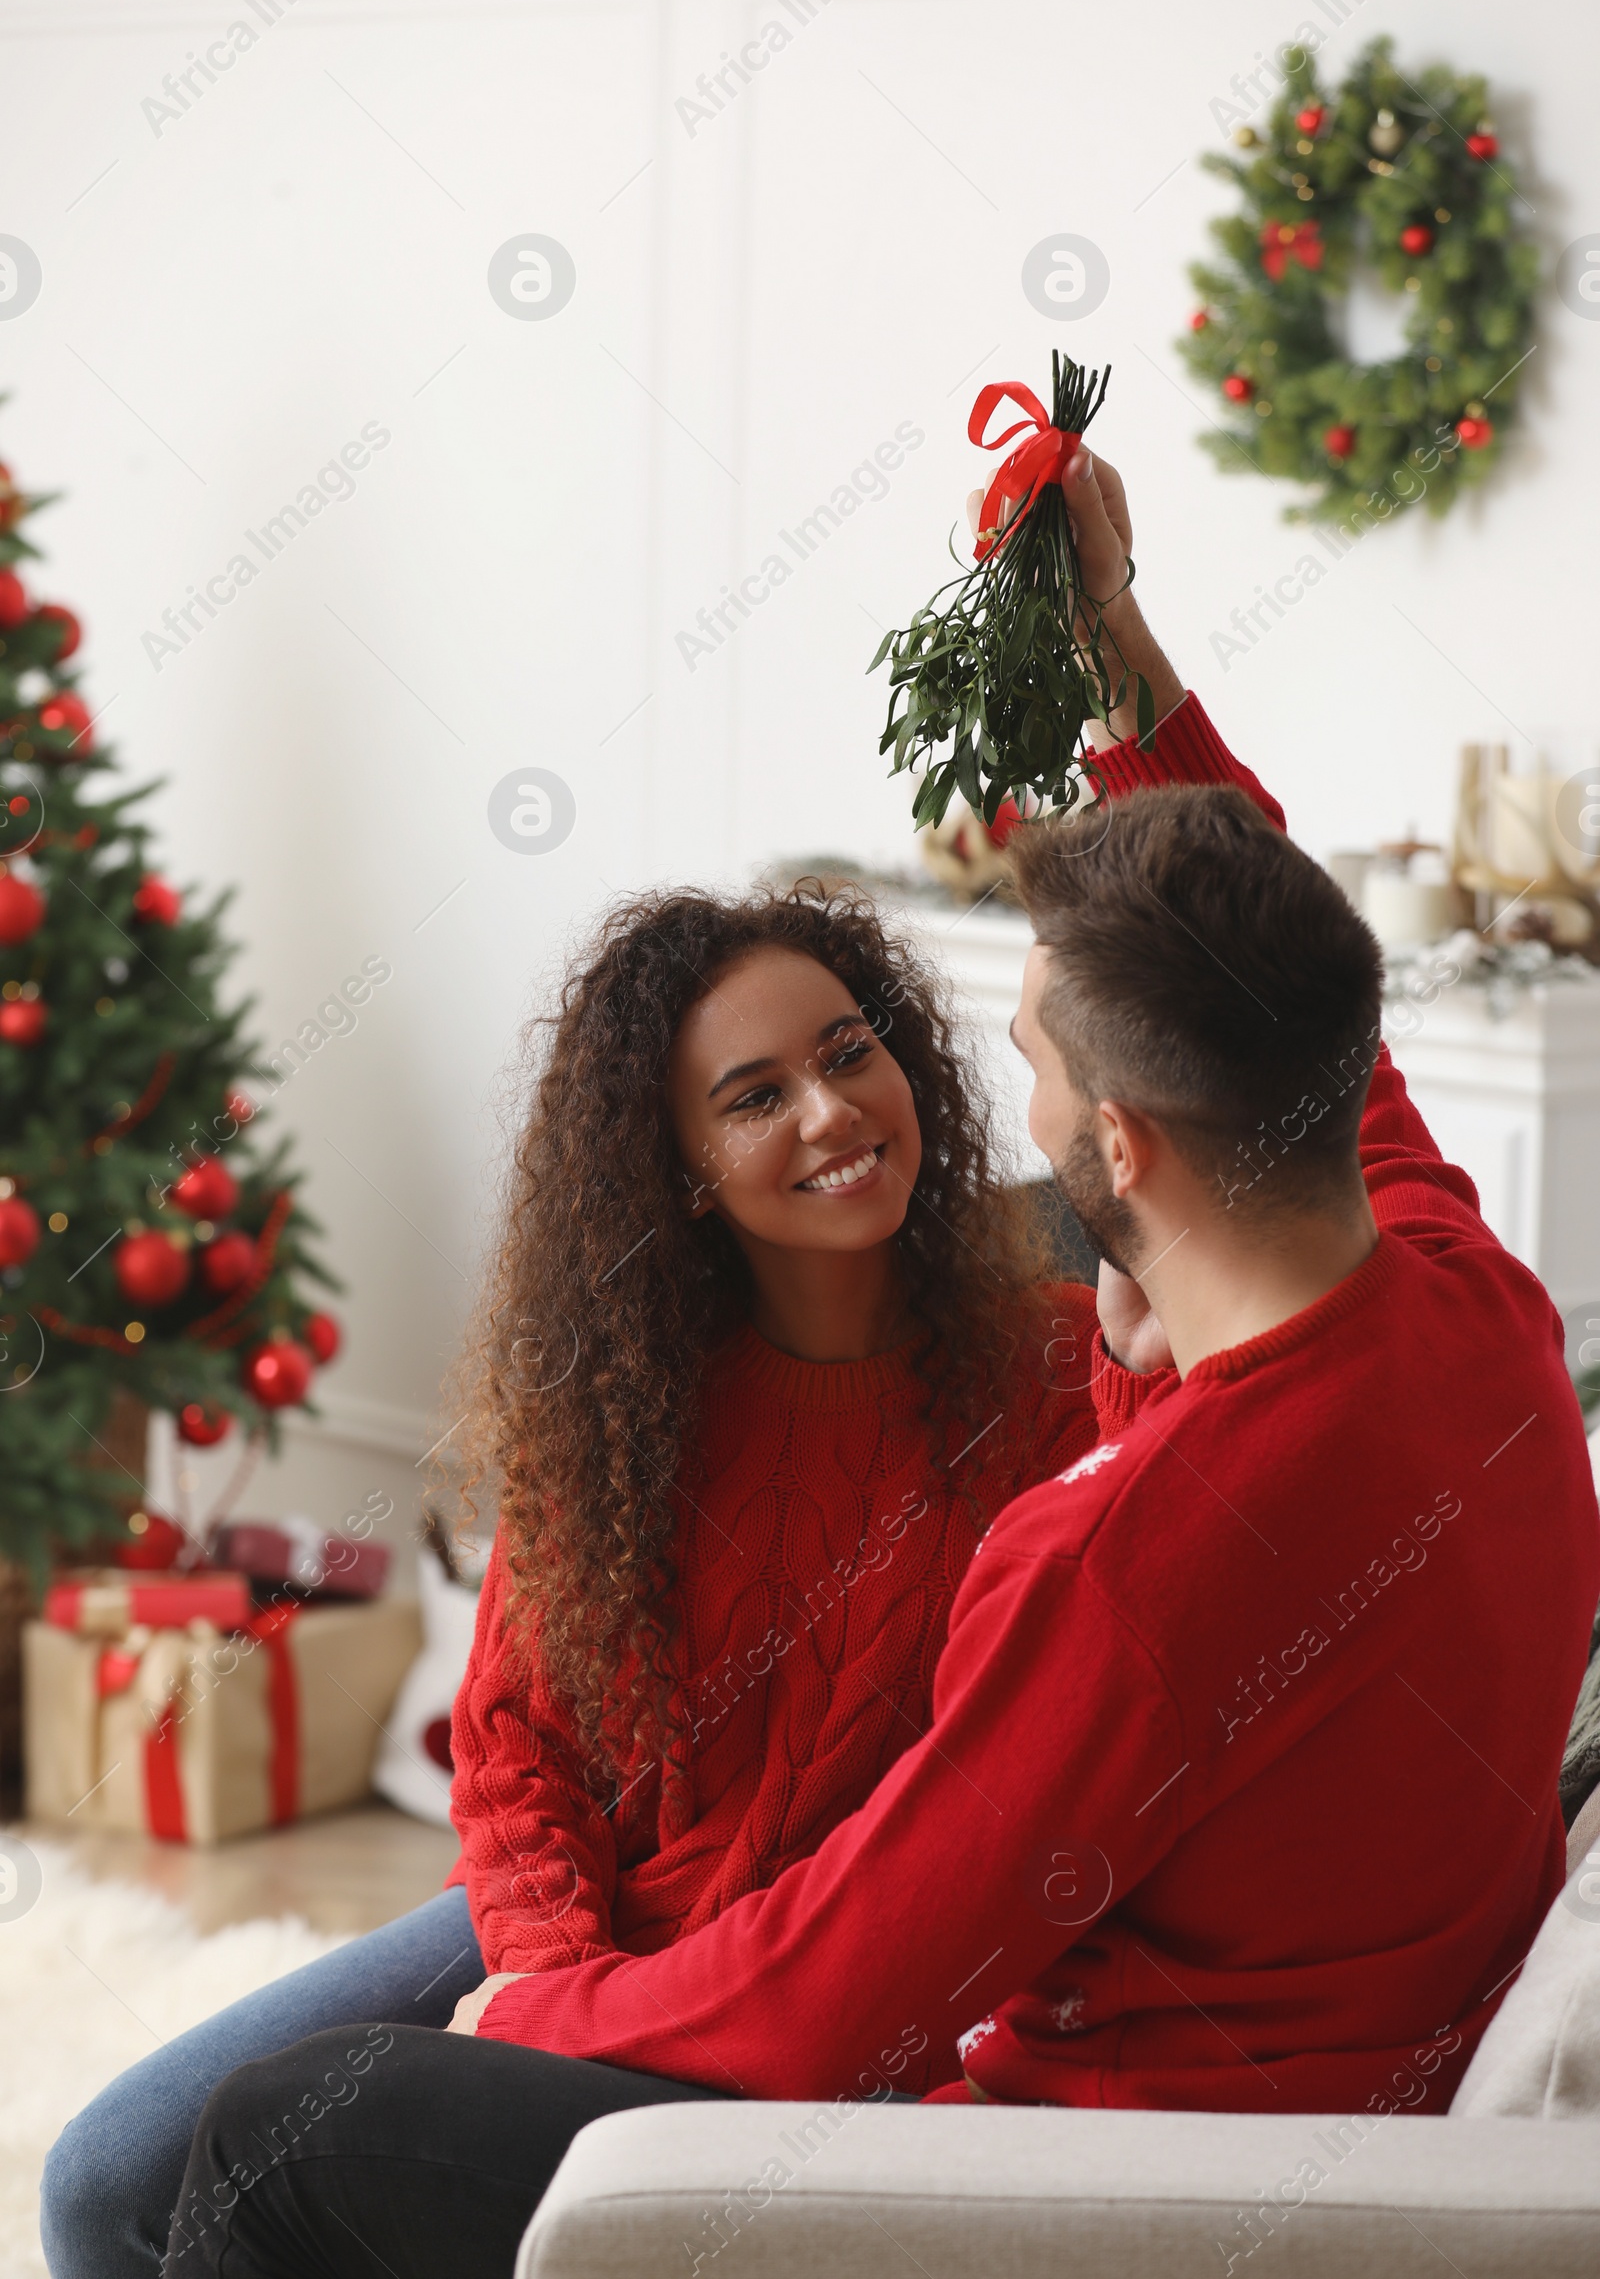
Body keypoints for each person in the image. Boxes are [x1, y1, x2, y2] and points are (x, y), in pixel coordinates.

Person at [160, 444, 1600, 2279]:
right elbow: (1306, 1000)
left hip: (1046, 2191)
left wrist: (528, 2020)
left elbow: (838, 1995)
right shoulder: (1480, 1312)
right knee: (153, 2164)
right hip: (1255, 2076)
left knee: (265, 2142)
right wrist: (1115, 647)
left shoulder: (1121, 1557)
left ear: (1128, 1146)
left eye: (1032, 1055)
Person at [45, 746, 1129, 2279]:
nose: (834, 1113)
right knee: (102, 2184)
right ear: (680, 1169)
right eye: (757, 1097)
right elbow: (515, 1755)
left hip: (806, 1983)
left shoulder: (1063, 1375)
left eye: (850, 1049)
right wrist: (555, 1997)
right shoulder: (620, 1400)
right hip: (577, 1927)